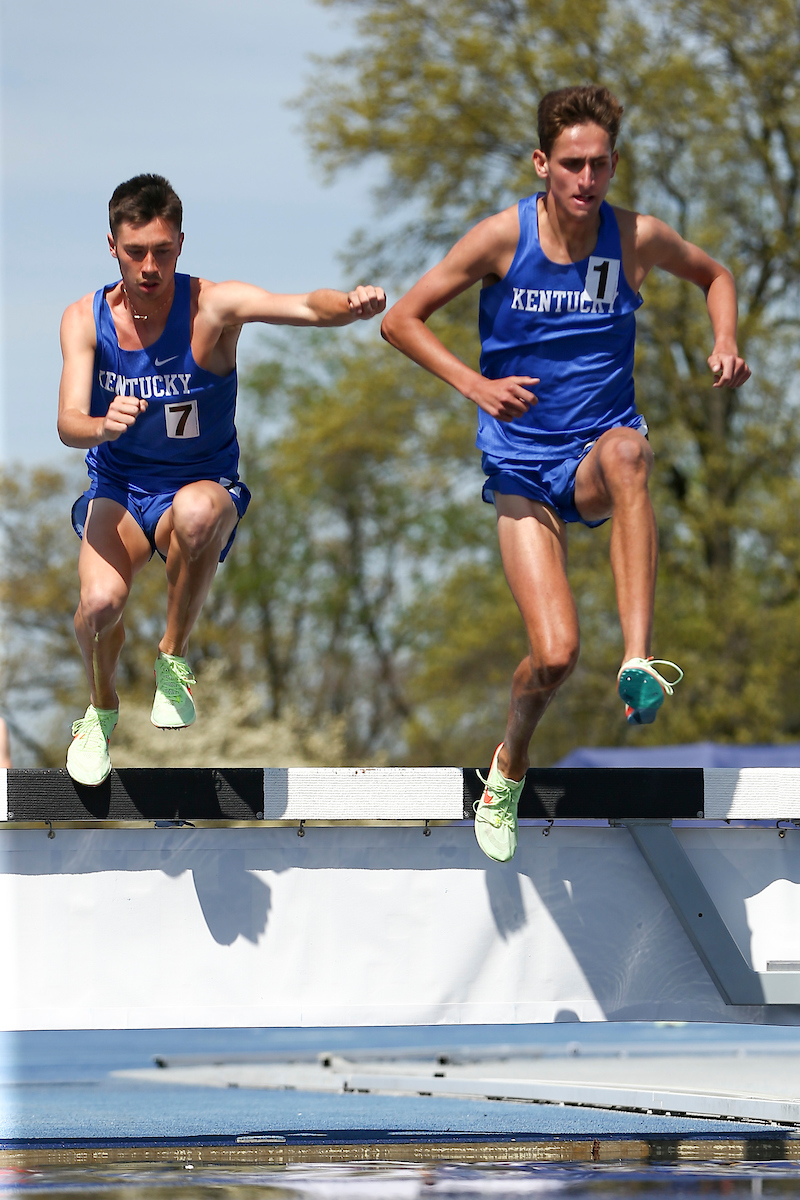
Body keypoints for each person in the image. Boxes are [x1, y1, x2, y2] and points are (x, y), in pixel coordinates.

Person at [381, 86, 750, 863]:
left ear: (615, 165)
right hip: (522, 467)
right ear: (542, 164)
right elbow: (400, 319)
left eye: (600, 165)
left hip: (592, 453)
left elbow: (715, 275)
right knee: (553, 656)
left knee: (630, 453)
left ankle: (638, 659)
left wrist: (725, 340)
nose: (587, 179)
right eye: (573, 164)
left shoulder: (636, 237)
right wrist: (475, 385)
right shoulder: (500, 238)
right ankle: (510, 761)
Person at [59, 173, 385, 787]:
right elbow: (68, 422)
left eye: (162, 251)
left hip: (201, 483)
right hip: (121, 490)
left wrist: (349, 305)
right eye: (135, 252)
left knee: (197, 514)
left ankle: (173, 656)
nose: (149, 267)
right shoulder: (84, 319)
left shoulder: (213, 306)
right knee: (98, 608)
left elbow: (302, 306)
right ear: (112, 246)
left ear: (181, 244)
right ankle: (100, 709)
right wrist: (102, 424)